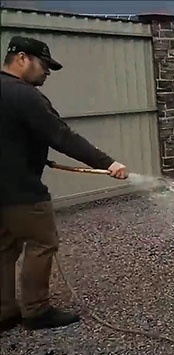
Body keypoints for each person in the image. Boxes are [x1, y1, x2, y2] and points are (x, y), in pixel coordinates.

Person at [0, 36, 129, 332]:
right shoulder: (25, 96)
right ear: (22, 58)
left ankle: (5, 312)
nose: (46, 72)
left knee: (4, 248)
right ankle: (36, 310)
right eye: (43, 65)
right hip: (22, 192)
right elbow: (61, 136)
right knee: (42, 243)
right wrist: (108, 163)